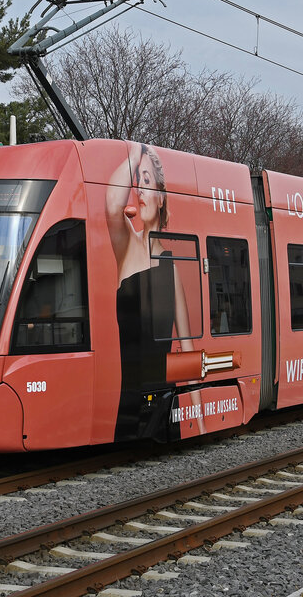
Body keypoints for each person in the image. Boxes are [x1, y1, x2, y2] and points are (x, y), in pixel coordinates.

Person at [106, 142, 195, 439]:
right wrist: (134, 154)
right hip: (128, 401)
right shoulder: (127, 245)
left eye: (146, 181)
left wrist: (200, 423)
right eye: (137, 182)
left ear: (161, 198)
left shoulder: (172, 267)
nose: (139, 190)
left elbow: (189, 351)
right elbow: (111, 205)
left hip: (164, 405)